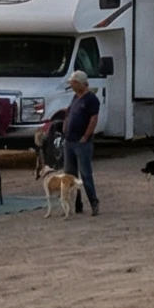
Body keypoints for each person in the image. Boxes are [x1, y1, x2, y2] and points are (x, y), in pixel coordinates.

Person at [63, 72, 103, 215]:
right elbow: (69, 113)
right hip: (69, 141)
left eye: (73, 83)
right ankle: (76, 203)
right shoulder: (75, 97)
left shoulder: (91, 99)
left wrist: (86, 136)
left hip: (81, 142)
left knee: (85, 174)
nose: (71, 86)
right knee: (70, 175)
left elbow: (93, 119)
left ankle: (93, 201)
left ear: (80, 83)